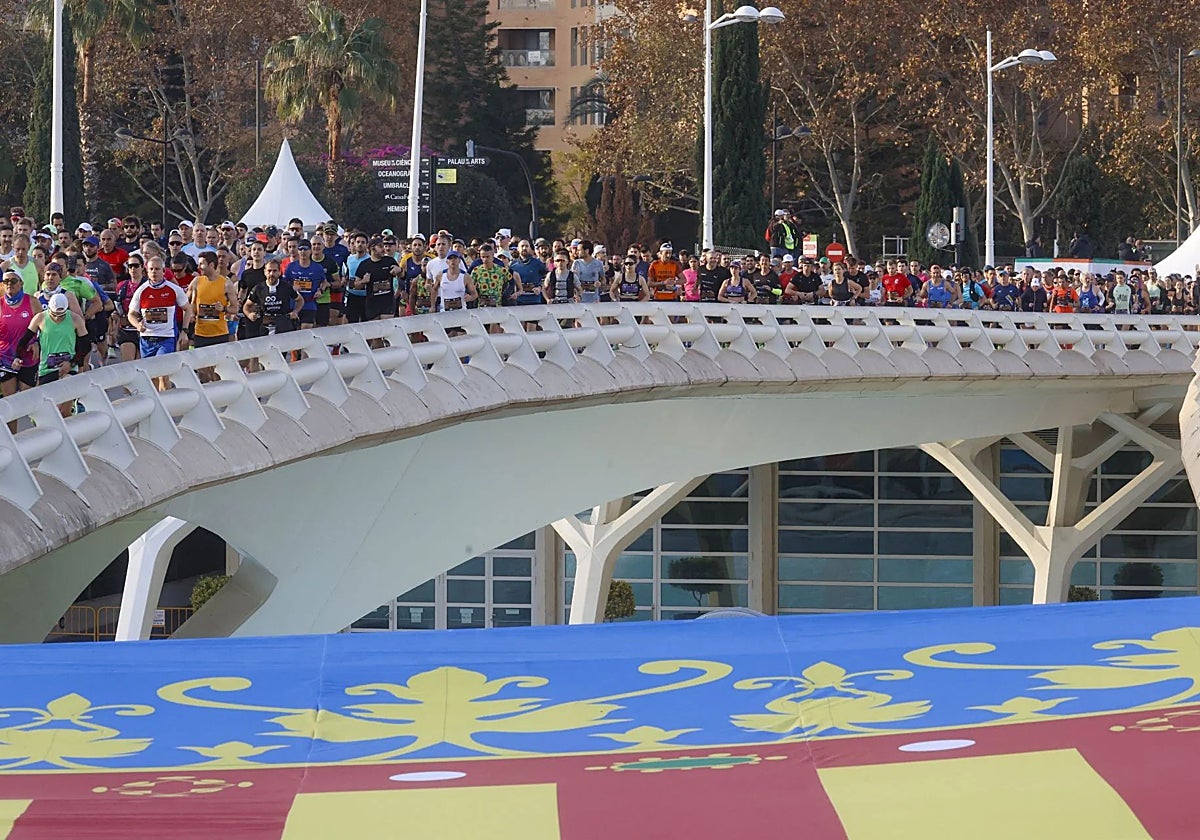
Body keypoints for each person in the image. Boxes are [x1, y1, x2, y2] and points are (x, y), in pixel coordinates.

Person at [127, 257, 191, 384]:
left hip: (166, 338)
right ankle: (156, 402)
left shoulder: (173, 289)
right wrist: (137, 325)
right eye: (151, 269)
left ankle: (165, 401)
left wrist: (184, 331)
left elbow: (188, 309)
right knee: (151, 377)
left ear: (163, 271)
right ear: (147, 271)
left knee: (163, 372)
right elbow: (131, 314)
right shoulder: (142, 290)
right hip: (147, 338)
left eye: (157, 269)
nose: (154, 272)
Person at [0, 269, 42, 404]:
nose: (9, 284)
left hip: (28, 357)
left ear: (21, 283)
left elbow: (44, 328)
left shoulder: (32, 302)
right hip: (5, 359)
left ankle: (37, 424)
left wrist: (37, 343)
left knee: (27, 400)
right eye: (6, 281)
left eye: (13, 281)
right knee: (10, 402)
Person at [30, 293, 87, 390]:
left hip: (68, 368)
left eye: (61, 316)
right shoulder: (40, 318)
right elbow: (24, 340)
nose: (57, 318)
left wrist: (72, 363)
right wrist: (18, 356)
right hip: (46, 369)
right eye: (54, 315)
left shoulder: (75, 318)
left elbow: (86, 346)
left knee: (66, 391)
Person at [187, 251, 239, 352]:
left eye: (202, 264)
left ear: (211, 265)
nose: (199, 267)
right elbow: (188, 302)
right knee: (202, 365)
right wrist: (191, 314)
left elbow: (235, 308)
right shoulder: (197, 281)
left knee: (219, 365)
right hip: (200, 333)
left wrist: (223, 308)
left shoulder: (226, 283)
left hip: (219, 333)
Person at [243, 259, 301, 336]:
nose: (271, 274)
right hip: (265, 325)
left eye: (274, 271)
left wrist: (295, 311)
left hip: (284, 324)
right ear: (265, 272)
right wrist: (249, 315)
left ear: (279, 272)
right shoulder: (258, 288)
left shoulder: (286, 287)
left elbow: (300, 300)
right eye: (269, 271)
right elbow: (246, 306)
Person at [283, 239, 329, 328]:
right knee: (294, 332)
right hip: (294, 304)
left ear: (310, 250)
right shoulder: (291, 267)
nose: (303, 252)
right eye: (300, 249)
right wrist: (292, 287)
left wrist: (320, 291)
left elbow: (324, 282)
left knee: (305, 329)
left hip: (309, 304)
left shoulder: (317, 267)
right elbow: (284, 283)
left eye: (306, 249)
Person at [354, 236, 398, 321]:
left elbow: (402, 276)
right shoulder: (364, 265)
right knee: (375, 331)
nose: (384, 249)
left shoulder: (389, 261)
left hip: (387, 303)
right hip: (372, 304)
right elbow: (355, 285)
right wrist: (363, 281)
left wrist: (399, 270)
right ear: (372, 248)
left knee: (386, 328)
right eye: (381, 247)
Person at [470, 242, 509, 309]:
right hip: (482, 306)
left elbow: (511, 281)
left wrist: (506, 293)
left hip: (497, 306)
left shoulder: (501, 270)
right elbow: (470, 285)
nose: (485, 259)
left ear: (493, 256)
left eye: (488, 257)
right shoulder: (476, 270)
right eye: (483, 257)